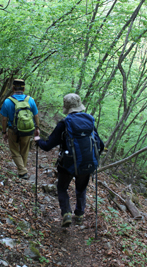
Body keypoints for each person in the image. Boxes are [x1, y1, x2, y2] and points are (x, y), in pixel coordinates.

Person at [34, 93, 104, 227]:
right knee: (81, 189)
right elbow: (101, 145)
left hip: (67, 164)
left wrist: (38, 140)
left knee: (61, 188)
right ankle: (79, 215)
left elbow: (48, 146)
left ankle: (66, 213)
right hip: (86, 164)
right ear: (80, 105)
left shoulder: (64, 123)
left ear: (66, 107)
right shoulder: (90, 122)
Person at [0, 79, 40, 180]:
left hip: (12, 130)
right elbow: (36, 115)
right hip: (27, 130)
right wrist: (37, 128)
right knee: (24, 150)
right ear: (24, 88)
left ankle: (22, 171)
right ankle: (23, 171)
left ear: (12, 88)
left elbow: (4, 119)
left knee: (14, 151)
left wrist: (4, 132)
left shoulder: (8, 101)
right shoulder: (30, 100)